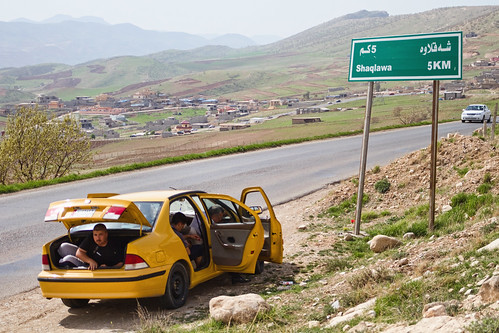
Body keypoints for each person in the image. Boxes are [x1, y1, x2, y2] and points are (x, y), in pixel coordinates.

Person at [208, 205, 250, 284]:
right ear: (214, 216)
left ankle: (235, 276)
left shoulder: (208, 220)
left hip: (214, 245)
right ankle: (235, 276)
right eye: (220, 216)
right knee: (231, 252)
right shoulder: (211, 225)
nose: (221, 218)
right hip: (214, 246)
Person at [58, 223, 124, 270]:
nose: (97, 238)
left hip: (92, 268)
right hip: (87, 260)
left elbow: (121, 263)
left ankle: (62, 264)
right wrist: (90, 261)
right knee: (63, 246)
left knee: (68, 258)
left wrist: (109, 268)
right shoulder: (90, 238)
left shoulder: (114, 244)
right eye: (95, 235)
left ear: (106, 234)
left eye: (100, 234)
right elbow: (79, 252)